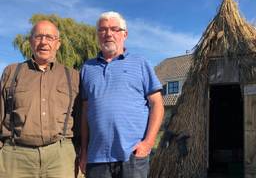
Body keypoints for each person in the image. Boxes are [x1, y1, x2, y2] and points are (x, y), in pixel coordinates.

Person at [79, 11, 164, 178]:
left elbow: (157, 104)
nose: (108, 34)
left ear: (124, 34)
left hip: (132, 156)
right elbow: (85, 112)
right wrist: (84, 150)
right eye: (102, 30)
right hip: (97, 158)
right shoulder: (87, 68)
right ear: (98, 35)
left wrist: (148, 143)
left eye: (114, 29)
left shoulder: (140, 63)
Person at [0, 20, 80, 178]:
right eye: (38, 37)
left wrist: (81, 150)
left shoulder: (72, 76)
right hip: (15, 156)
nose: (43, 42)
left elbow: (81, 117)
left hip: (60, 156)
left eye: (49, 37)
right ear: (30, 41)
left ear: (58, 43)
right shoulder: (12, 71)